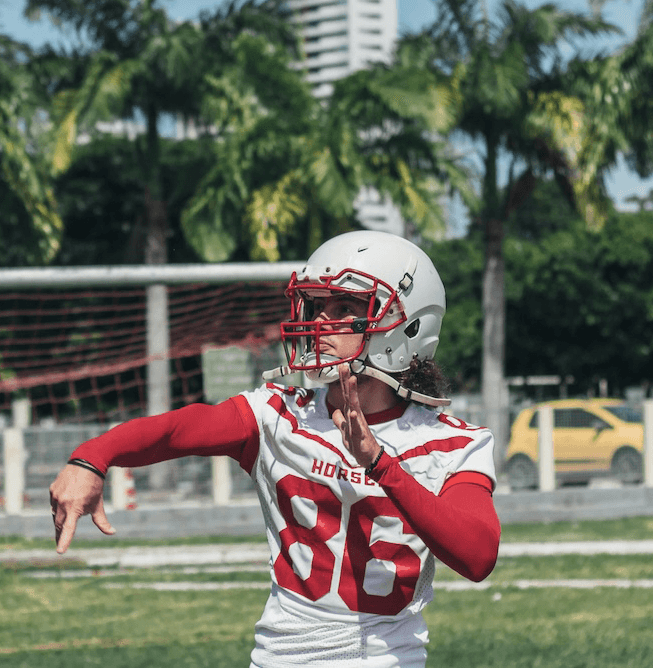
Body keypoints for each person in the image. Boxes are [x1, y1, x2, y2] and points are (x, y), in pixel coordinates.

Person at [49, 230, 501, 668]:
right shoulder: (279, 414)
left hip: (386, 659)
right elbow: (183, 427)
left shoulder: (451, 442)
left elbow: (477, 556)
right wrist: (92, 456)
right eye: (317, 305)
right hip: (281, 657)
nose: (321, 322)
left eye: (345, 307)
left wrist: (379, 464)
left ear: (408, 324)